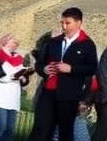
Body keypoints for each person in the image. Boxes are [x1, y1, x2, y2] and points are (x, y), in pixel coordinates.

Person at [31, 7, 99, 141]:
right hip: (49, 91)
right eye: (62, 23)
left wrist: (71, 69)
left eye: (68, 23)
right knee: (41, 128)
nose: (64, 26)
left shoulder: (87, 44)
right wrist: (44, 69)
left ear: (78, 23)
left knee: (65, 131)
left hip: (69, 95)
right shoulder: (53, 42)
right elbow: (39, 64)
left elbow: (92, 68)